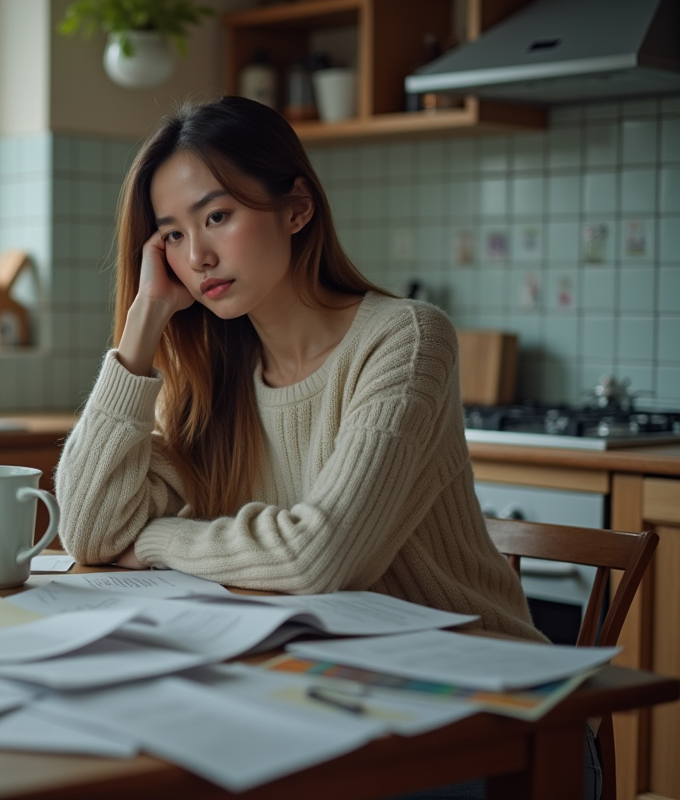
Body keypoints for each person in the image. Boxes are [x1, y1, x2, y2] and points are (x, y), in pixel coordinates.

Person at [53, 96, 602, 799]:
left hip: (490, 717)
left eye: (218, 216)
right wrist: (141, 329)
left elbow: (322, 555)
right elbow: (92, 533)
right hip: (323, 697)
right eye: (173, 236)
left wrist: (158, 540)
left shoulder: (405, 340)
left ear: (297, 208)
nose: (200, 257)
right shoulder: (207, 379)